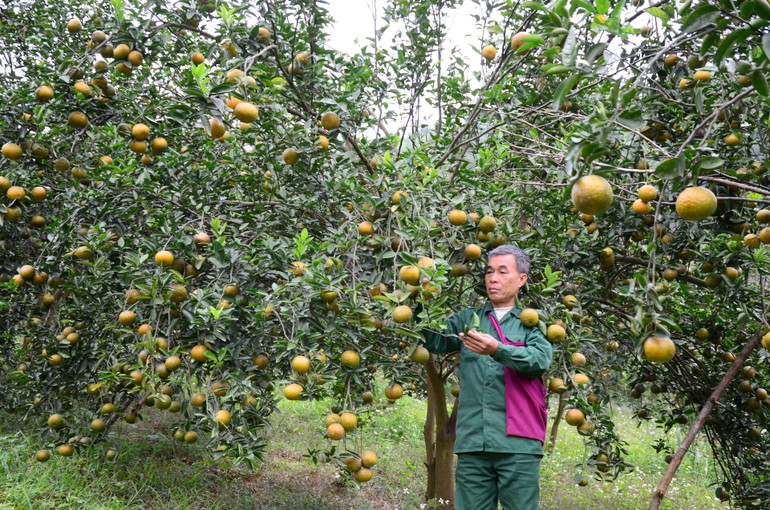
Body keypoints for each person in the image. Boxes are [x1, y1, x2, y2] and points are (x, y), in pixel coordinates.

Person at [422, 244, 553, 510]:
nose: (493, 279)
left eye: (503, 272)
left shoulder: (532, 323)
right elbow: (432, 339)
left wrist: (498, 350)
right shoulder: (468, 321)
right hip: (473, 443)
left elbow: (539, 361)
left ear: (521, 280)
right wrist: (420, 299)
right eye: (489, 272)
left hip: (518, 443)